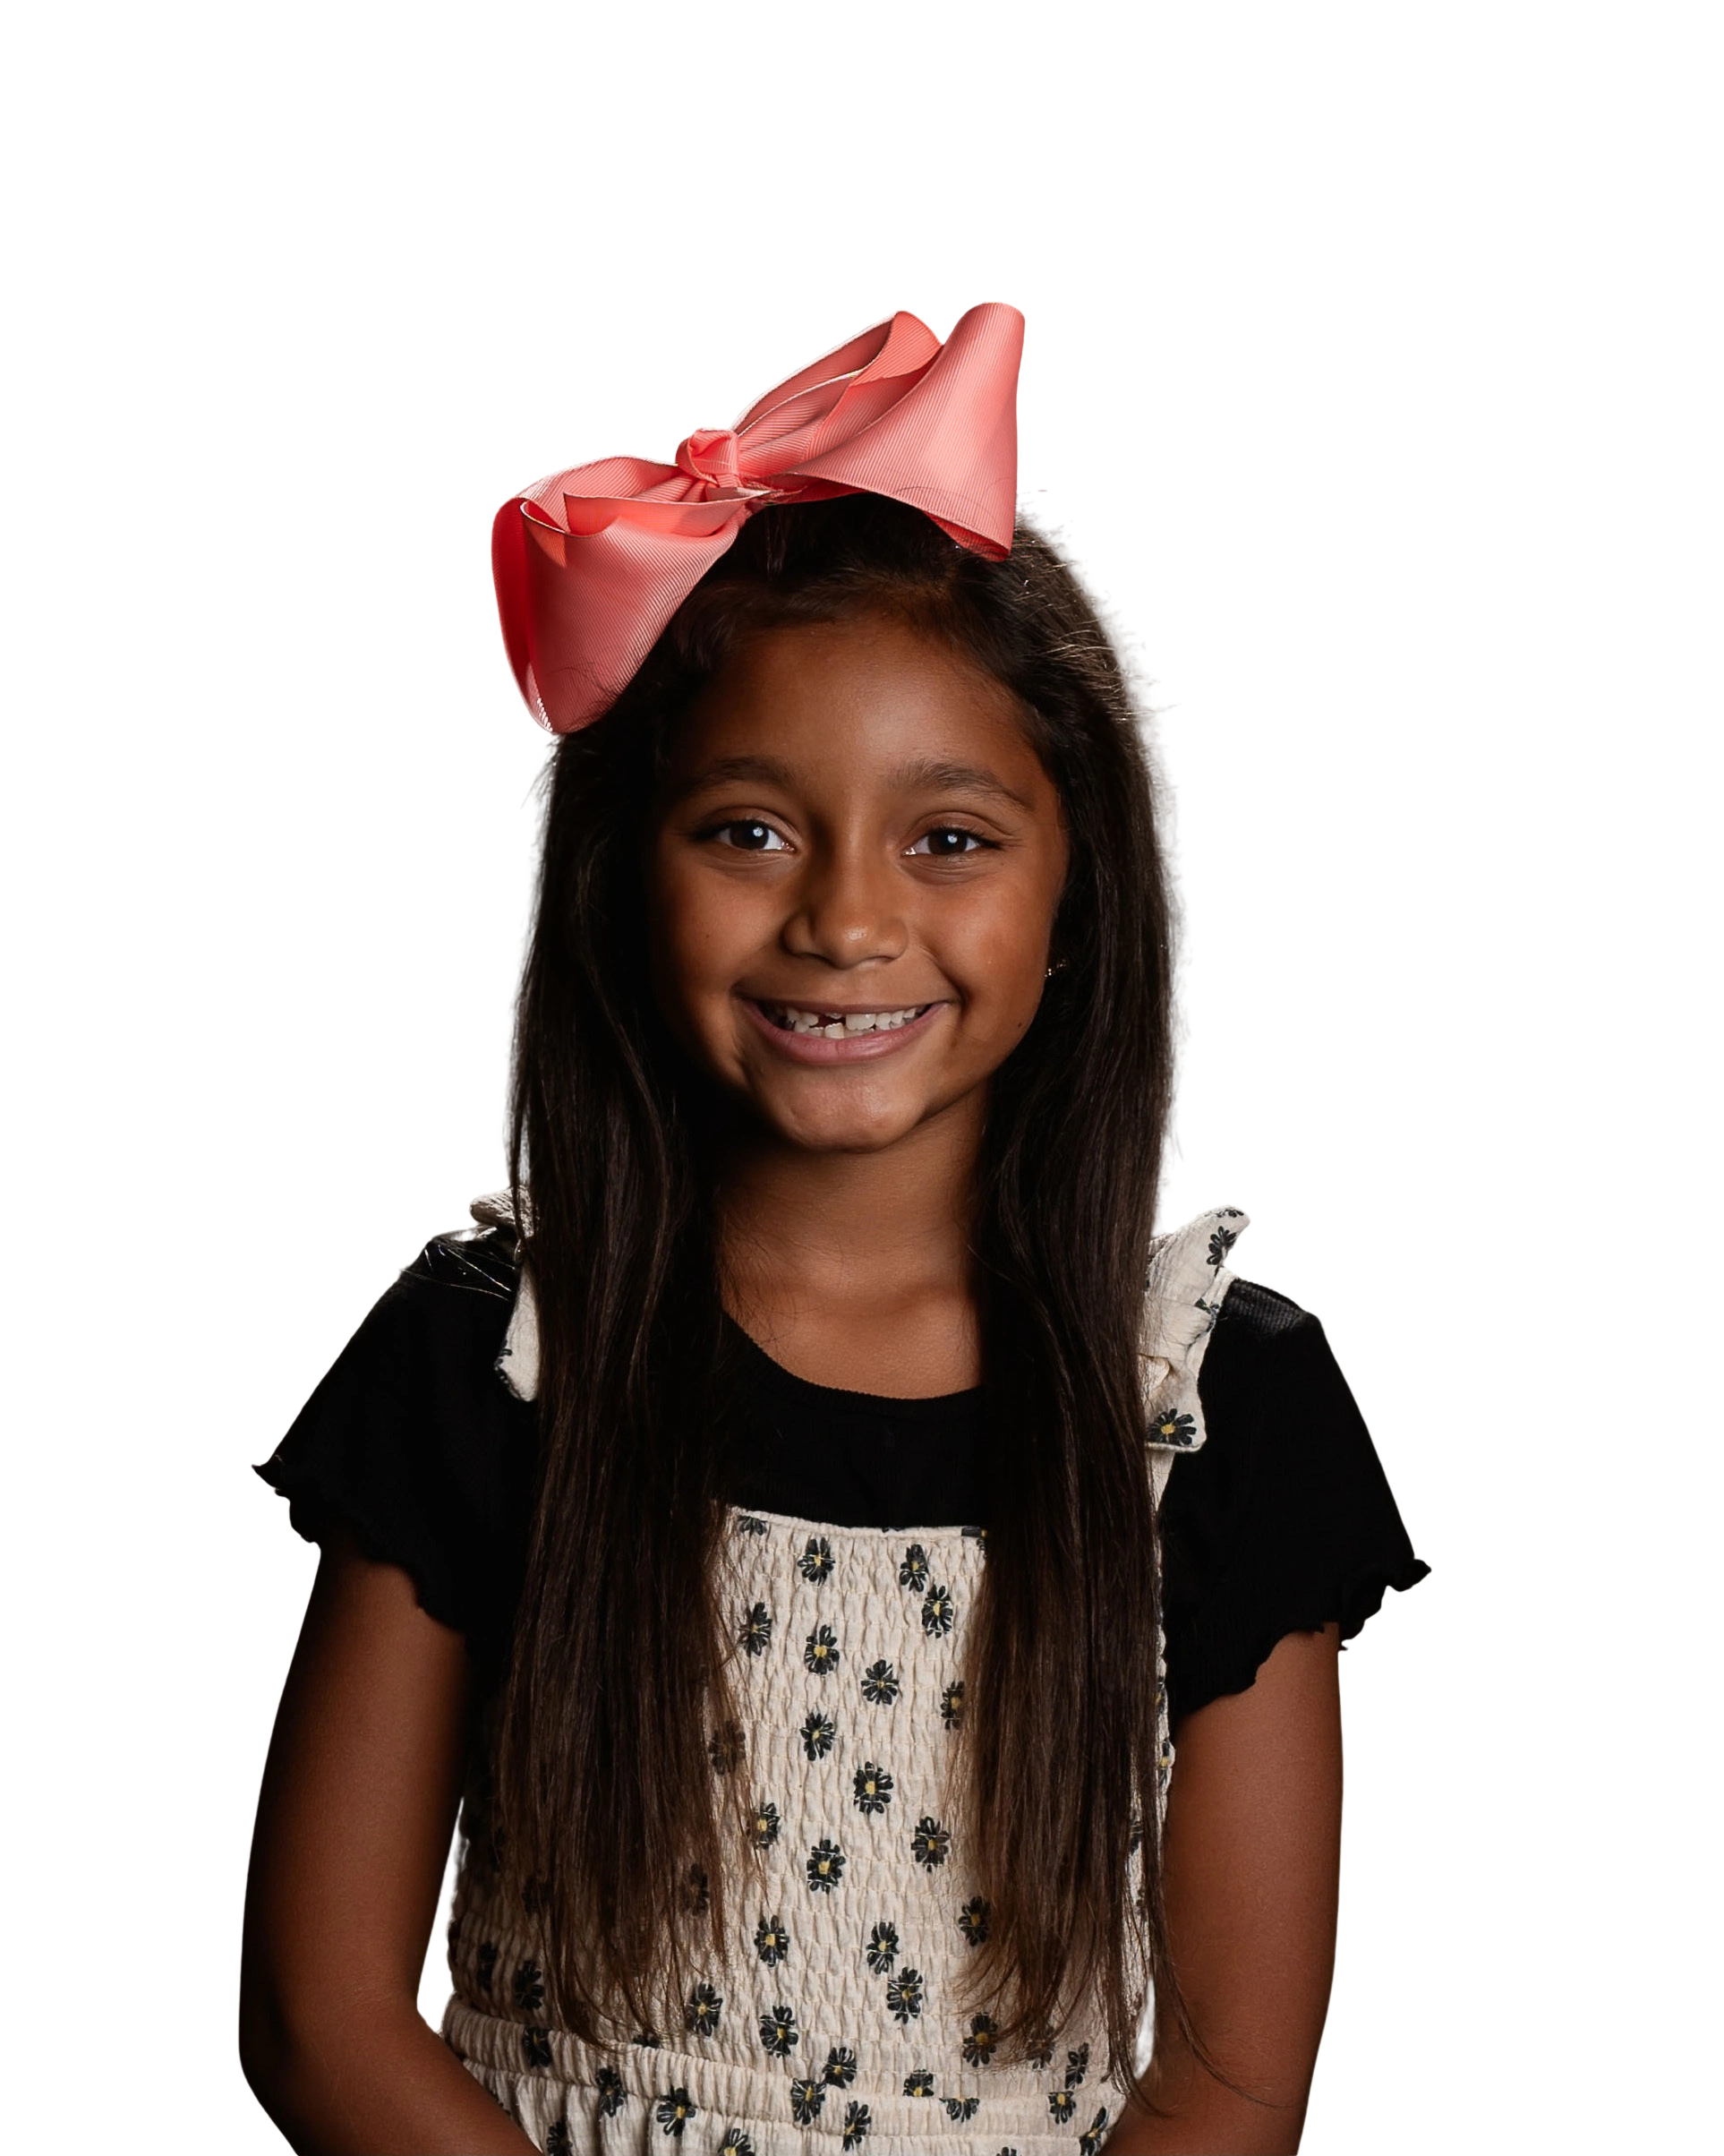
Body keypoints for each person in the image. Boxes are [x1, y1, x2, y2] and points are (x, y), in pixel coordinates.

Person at [239, 304, 1429, 2156]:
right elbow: (321, 2021)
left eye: (949, 838)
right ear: (623, 875)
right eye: (748, 831)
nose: (847, 922)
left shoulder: (1220, 1405)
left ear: (1077, 892)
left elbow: (1231, 2085)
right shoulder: (491, 1357)